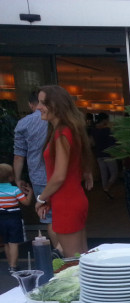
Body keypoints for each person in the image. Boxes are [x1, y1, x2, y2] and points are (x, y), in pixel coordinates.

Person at [34, 85, 95, 258]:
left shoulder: (62, 133)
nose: (38, 107)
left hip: (67, 202)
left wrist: (41, 198)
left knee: (74, 261)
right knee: (82, 258)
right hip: (70, 199)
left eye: (43, 103)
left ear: (56, 104)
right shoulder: (67, 130)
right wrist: (48, 199)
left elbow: (59, 176)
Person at [13, 89, 58, 249]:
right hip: (60, 175)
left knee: (50, 219)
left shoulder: (23, 123)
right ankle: (68, 254)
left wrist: (17, 178)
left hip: (39, 177)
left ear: (30, 104)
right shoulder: (58, 119)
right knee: (65, 215)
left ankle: (61, 254)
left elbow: (19, 156)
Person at [0, 163, 33, 273]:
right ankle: (13, 266)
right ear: (11, 177)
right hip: (13, 219)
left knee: (6, 242)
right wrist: (30, 193)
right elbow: (26, 202)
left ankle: (10, 264)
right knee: (13, 243)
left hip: (1, 219)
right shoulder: (14, 190)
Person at [90, 112, 119, 198]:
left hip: (99, 155)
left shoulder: (93, 130)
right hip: (109, 154)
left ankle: (106, 191)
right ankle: (107, 188)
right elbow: (114, 142)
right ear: (104, 120)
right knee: (114, 174)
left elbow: (93, 143)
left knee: (104, 175)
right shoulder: (108, 130)